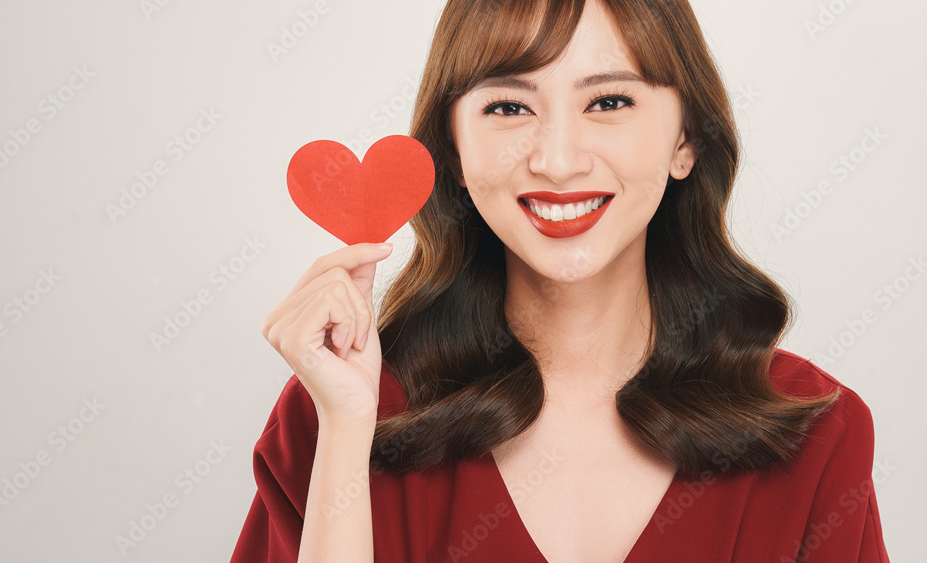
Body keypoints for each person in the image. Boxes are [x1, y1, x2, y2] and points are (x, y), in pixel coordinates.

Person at [231, 0, 890, 561]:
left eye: (608, 100)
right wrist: (346, 433)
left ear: (685, 138)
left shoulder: (819, 437)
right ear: (453, 151)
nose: (557, 160)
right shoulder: (335, 411)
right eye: (509, 108)